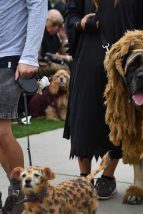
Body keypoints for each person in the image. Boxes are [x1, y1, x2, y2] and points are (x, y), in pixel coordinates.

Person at [63, 0, 143, 200]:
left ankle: (108, 178)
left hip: (125, 63)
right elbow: (71, 16)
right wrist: (80, 23)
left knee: (119, 119)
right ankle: (85, 177)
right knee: (84, 117)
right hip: (88, 60)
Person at [0, 0, 47, 213]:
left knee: (1, 131)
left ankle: (23, 193)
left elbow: (38, 4)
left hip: (7, 57)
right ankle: (20, 191)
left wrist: (29, 55)